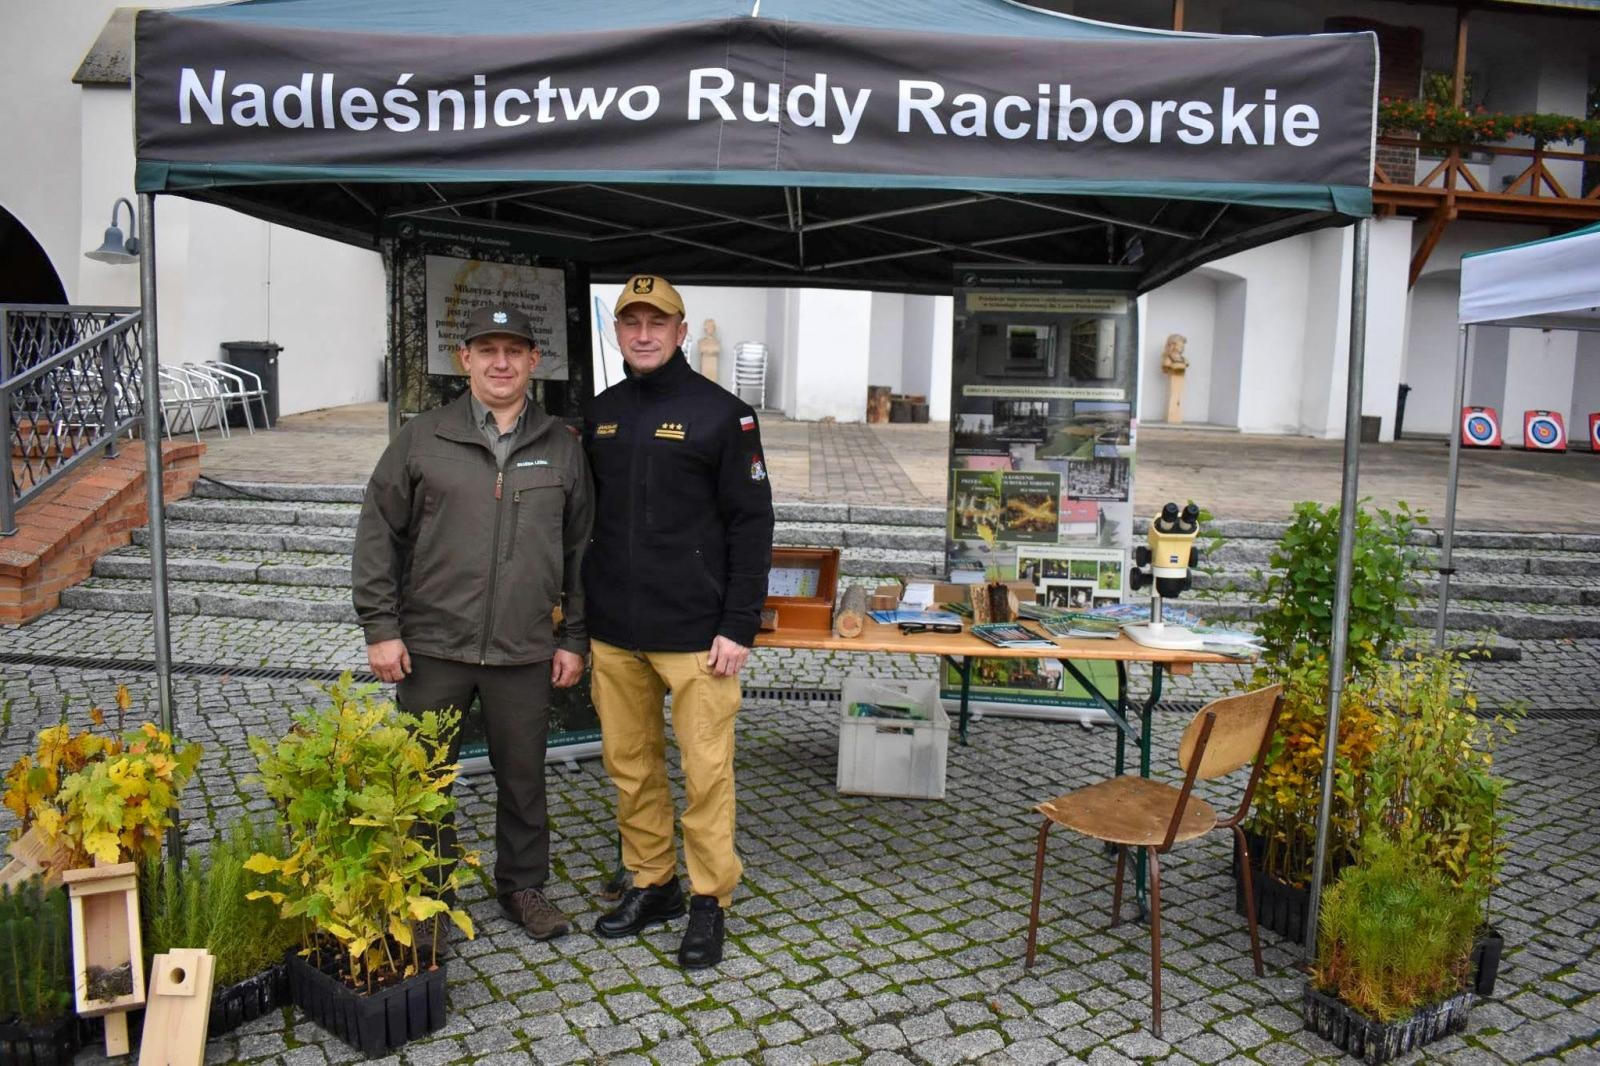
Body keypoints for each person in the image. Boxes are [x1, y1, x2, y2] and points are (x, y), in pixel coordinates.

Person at [352, 304, 592, 942]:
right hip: (434, 645)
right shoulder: (423, 438)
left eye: (514, 350)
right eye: (487, 349)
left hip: (524, 648)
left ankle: (524, 888)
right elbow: (379, 535)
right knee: (425, 776)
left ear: (534, 362)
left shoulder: (561, 448)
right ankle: (428, 893)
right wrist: (381, 627)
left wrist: (572, 639)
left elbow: (579, 552)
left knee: (524, 778)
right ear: (464, 359)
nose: (501, 362)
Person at [582, 275, 774, 970]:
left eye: (656, 322)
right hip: (615, 629)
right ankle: (652, 881)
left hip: (698, 635)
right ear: (619, 331)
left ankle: (707, 899)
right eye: (631, 321)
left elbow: (753, 524)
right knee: (630, 769)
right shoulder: (600, 412)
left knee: (705, 774)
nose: (643, 333)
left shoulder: (725, 415)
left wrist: (739, 625)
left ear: (681, 331)